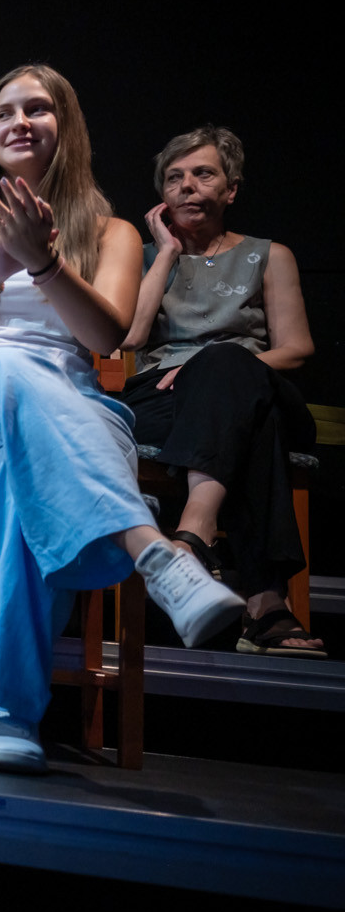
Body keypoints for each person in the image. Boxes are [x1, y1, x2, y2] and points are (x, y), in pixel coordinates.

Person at [0, 65, 249, 774]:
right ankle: (154, 551)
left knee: (15, 480)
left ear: (68, 126)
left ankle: (5, 712)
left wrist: (47, 263)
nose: (20, 122)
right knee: (5, 366)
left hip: (74, 414)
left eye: (38, 108)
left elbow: (105, 338)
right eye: (5, 112)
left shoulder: (110, 232)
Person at [119, 126, 323, 656]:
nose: (187, 186)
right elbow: (131, 337)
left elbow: (296, 349)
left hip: (254, 382)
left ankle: (191, 535)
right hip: (165, 400)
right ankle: (266, 605)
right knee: (257, 424)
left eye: (203, 174)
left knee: (229, 366)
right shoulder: (139, 257)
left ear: (230, 189)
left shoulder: (269, 255)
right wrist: (165, 254)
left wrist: (213, 365)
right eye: (174, 178)